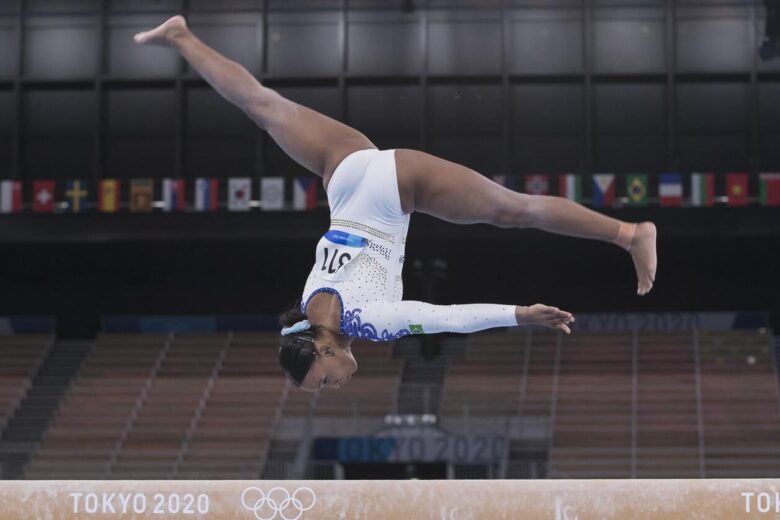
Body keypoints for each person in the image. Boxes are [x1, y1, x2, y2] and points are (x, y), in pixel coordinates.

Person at [135, 16, 657, 392]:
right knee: (263, 106)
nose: (331, 387)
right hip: (343, 177)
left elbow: (446, 317)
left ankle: (629, 234)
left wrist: (520, 315)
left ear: (325, 350)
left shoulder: (366, 322)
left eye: (322, 383)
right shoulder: (309, 305)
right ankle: (181, 35)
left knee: (514, 209)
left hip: (389, 193)